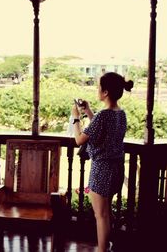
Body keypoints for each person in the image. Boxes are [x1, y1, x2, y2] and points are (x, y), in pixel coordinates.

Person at [71, 72, 133, 252]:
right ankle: (107, 246)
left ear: (105, 92)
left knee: (101, 215)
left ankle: (102, 250)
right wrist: (88, 111)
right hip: (116, 169)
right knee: (106, 213)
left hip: (102, 170)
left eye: (99, 87)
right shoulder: (120, 113)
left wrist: (76, 118)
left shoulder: (103, 115)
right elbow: (100, 129)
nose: (97, 90)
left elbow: (79, 140)